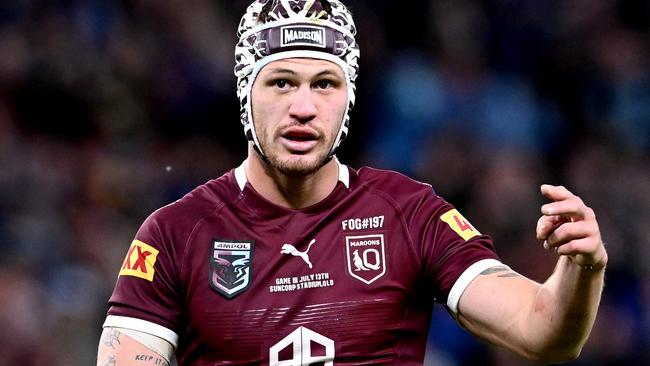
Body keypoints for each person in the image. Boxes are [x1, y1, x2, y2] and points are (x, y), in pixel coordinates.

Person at [96, 0, 608, 365]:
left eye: (325, 84)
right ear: (245, 94)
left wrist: (581, 271)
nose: (303, 107)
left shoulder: (409, 213)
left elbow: (542, 333)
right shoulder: (174, 233)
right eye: (281, 82)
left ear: (348, 98)